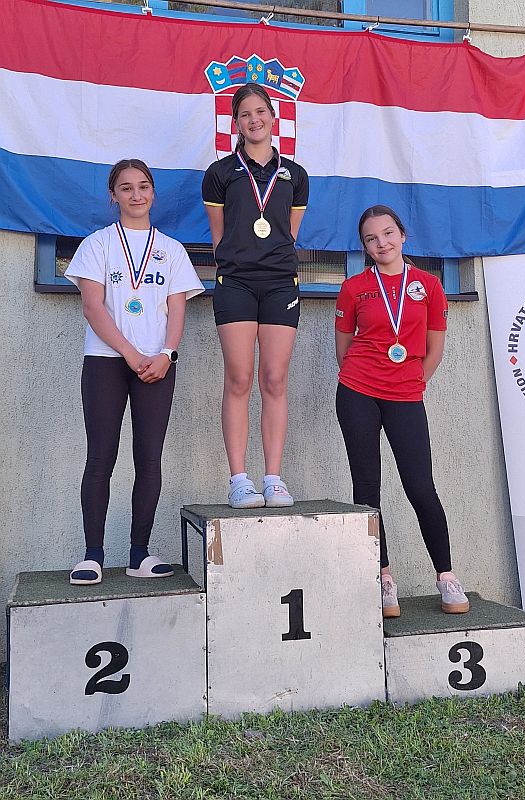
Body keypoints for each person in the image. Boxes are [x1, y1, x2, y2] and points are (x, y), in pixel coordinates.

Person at [65, 158, 204, 585]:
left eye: (143, 186)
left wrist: (167, 354)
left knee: (149, 459)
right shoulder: (97, 244)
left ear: (153, 193)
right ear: (113, 196)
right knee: (100, 457)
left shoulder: (172, 249)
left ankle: (139, 554)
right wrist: (129, 353)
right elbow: (93, 307)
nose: (136, 194)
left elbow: (177, 309)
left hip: (158, 365)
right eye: (126, 188)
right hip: (106, 361)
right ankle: (92, 555)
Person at [334, 205, 469, 618]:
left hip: (406, 395)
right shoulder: (354, 287)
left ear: (402, 235)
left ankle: (446, 576)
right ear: (365, 247)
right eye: (372, 239)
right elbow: (343, 349)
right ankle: (383, 578)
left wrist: (412, 382)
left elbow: (434, 348)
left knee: (420, 487)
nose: (382, 243)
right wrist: (363, 378)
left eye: (388, 233)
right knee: (366, 488)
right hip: (357, 392)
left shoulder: (429, 285)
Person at [202, 84, 309, 509]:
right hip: (237, 284)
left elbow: (287, 234)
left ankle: (273, 478)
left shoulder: (295, 175)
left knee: (275, 379)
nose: (254, 120)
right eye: (245, 114)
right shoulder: (220, 173)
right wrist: (239, 263)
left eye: (261, 111)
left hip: (281, 283)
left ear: (273, 117)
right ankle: (239, 480)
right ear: (235, 123)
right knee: (239, 377)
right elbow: (219, 236)